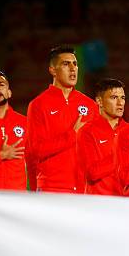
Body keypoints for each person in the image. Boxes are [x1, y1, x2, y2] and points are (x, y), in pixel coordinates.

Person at [26, 45, 98, 193]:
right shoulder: (38, 105)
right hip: (51, 187)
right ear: (52, 70)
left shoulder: (90, 105)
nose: (73, 68)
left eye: (75, 64)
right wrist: (72, 135)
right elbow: (36, 151)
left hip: (84, 189)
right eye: (66, 64)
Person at [77, 78, 127, 195]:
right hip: (98, 205)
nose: (120, 103)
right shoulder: (87, 132)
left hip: (127, 204)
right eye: (114, 98)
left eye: (122, 98)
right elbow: (91, 173)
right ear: (99, 101)